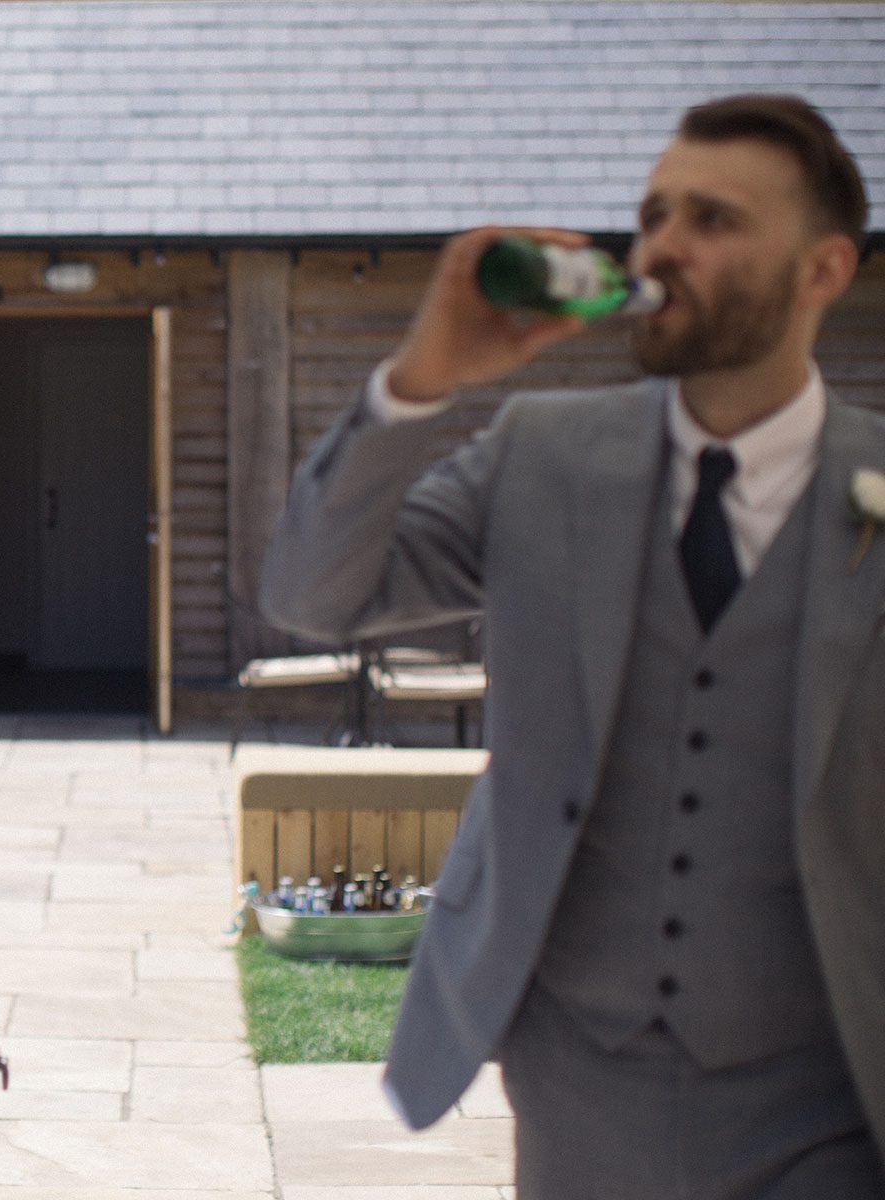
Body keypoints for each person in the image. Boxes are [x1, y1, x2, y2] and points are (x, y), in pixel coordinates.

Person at [261, 94, 883, 1198]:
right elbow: (315, 596)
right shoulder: (540, 457)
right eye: (654, 215)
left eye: (715, 220)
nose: (664, 247)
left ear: (824, 271)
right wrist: (419, 381)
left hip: (824, 1088)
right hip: (575, 1078)